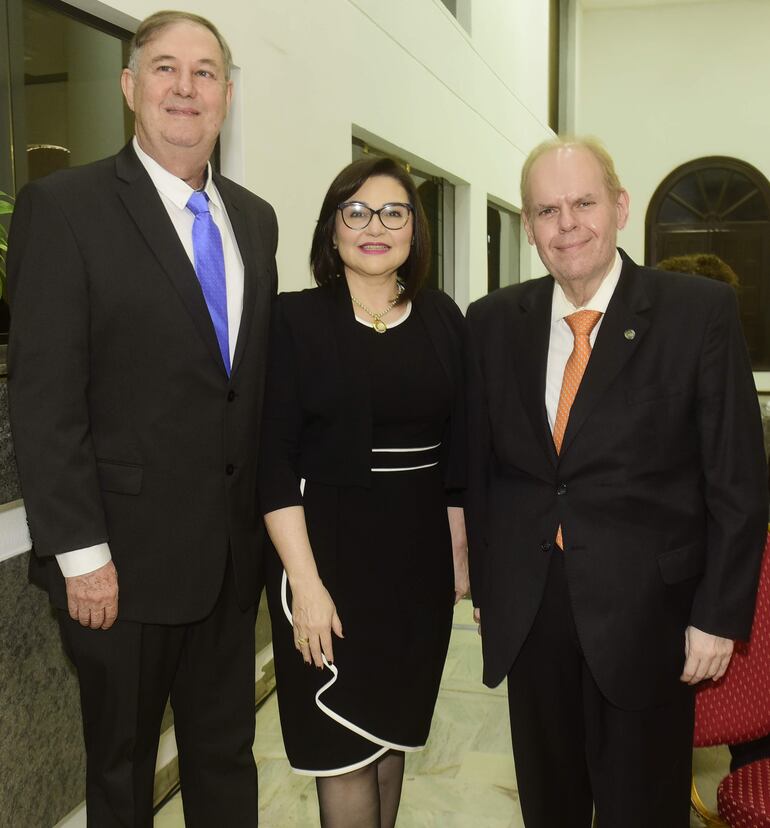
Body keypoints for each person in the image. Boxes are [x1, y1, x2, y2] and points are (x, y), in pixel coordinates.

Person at [6, 11, 277, 827]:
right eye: (164, 68)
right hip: (116, 570)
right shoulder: (64, 209)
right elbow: (46, 400)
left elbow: (241, 391)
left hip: (229, 565)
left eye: (204, 73)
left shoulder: (253, 219)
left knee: (225, 759)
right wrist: (82, 554)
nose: (184, 89)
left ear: (227, 96)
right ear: (129, 88)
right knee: (121, 773)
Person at [465, 136, 768, 828]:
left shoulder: (698, 313)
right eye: (547, 209)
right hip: (533, 612)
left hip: (652, 617)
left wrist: (717, 617)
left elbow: (737, 481)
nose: (566, 223)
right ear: (528, 225)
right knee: (551, 804)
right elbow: (485, 471)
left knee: (642, 809)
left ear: (620, 206)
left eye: (583, 203)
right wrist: (490, 586)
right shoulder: (492, 324)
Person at [258, 156, 468, 828]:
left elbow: (461, 450)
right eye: (356, 212)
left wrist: (460, 557)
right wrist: (307, 587)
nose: (375, 226)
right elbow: (270, 462)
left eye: (393, 212)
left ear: (414, 229)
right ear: (332, 230)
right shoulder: (293, 321)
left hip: (417, 571)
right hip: (327, 560)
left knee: (391, 737)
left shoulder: (442, 318)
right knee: (341, 752)